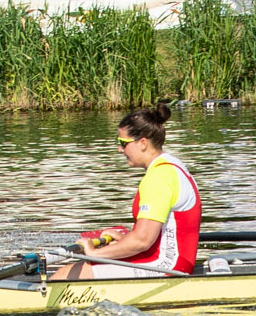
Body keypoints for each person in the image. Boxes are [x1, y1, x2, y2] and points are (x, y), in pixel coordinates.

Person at [56, 103, 201, 279]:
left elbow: (142, 241)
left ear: (143, 143)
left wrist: (93, 254)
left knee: (66, 274)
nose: (120, 149)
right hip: (173, 261)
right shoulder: (172, 165)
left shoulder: (158, 178)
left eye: (123, 143)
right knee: (78, 268)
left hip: (167, 266)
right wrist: (124, 240)